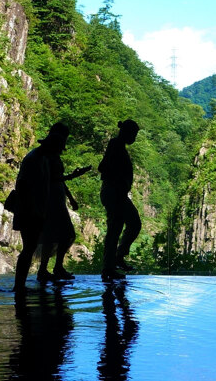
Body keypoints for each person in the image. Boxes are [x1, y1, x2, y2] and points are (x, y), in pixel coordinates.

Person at [7, 123, 68, 295]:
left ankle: (20, 285)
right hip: (29, 210)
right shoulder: (34, 159)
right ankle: (18, 286)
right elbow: (23, 185)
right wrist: (33, 209)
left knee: (30, 247)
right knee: (28, 248)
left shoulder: (40, 158)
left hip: (35, 210)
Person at [37, 129, 91, 284]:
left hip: (57, 198)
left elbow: (59, 180)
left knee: (55, 235)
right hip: (52, 199)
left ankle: (48, 269)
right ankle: (53, 268)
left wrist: (71, 198)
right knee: (64, 234)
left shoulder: (51, 157)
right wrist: (73, 176)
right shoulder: (47, 158)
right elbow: (54, 179)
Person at [99, 119, 141, 280]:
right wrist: (119, 180)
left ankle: (115, 260)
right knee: (117, 229)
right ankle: (110, 265)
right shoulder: (115, 145)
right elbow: (103, 167)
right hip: (114, 193)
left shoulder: (118, 146)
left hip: (117, 193)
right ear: (127, 132)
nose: (135, 138)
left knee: (125, 226)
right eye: (134, 134)